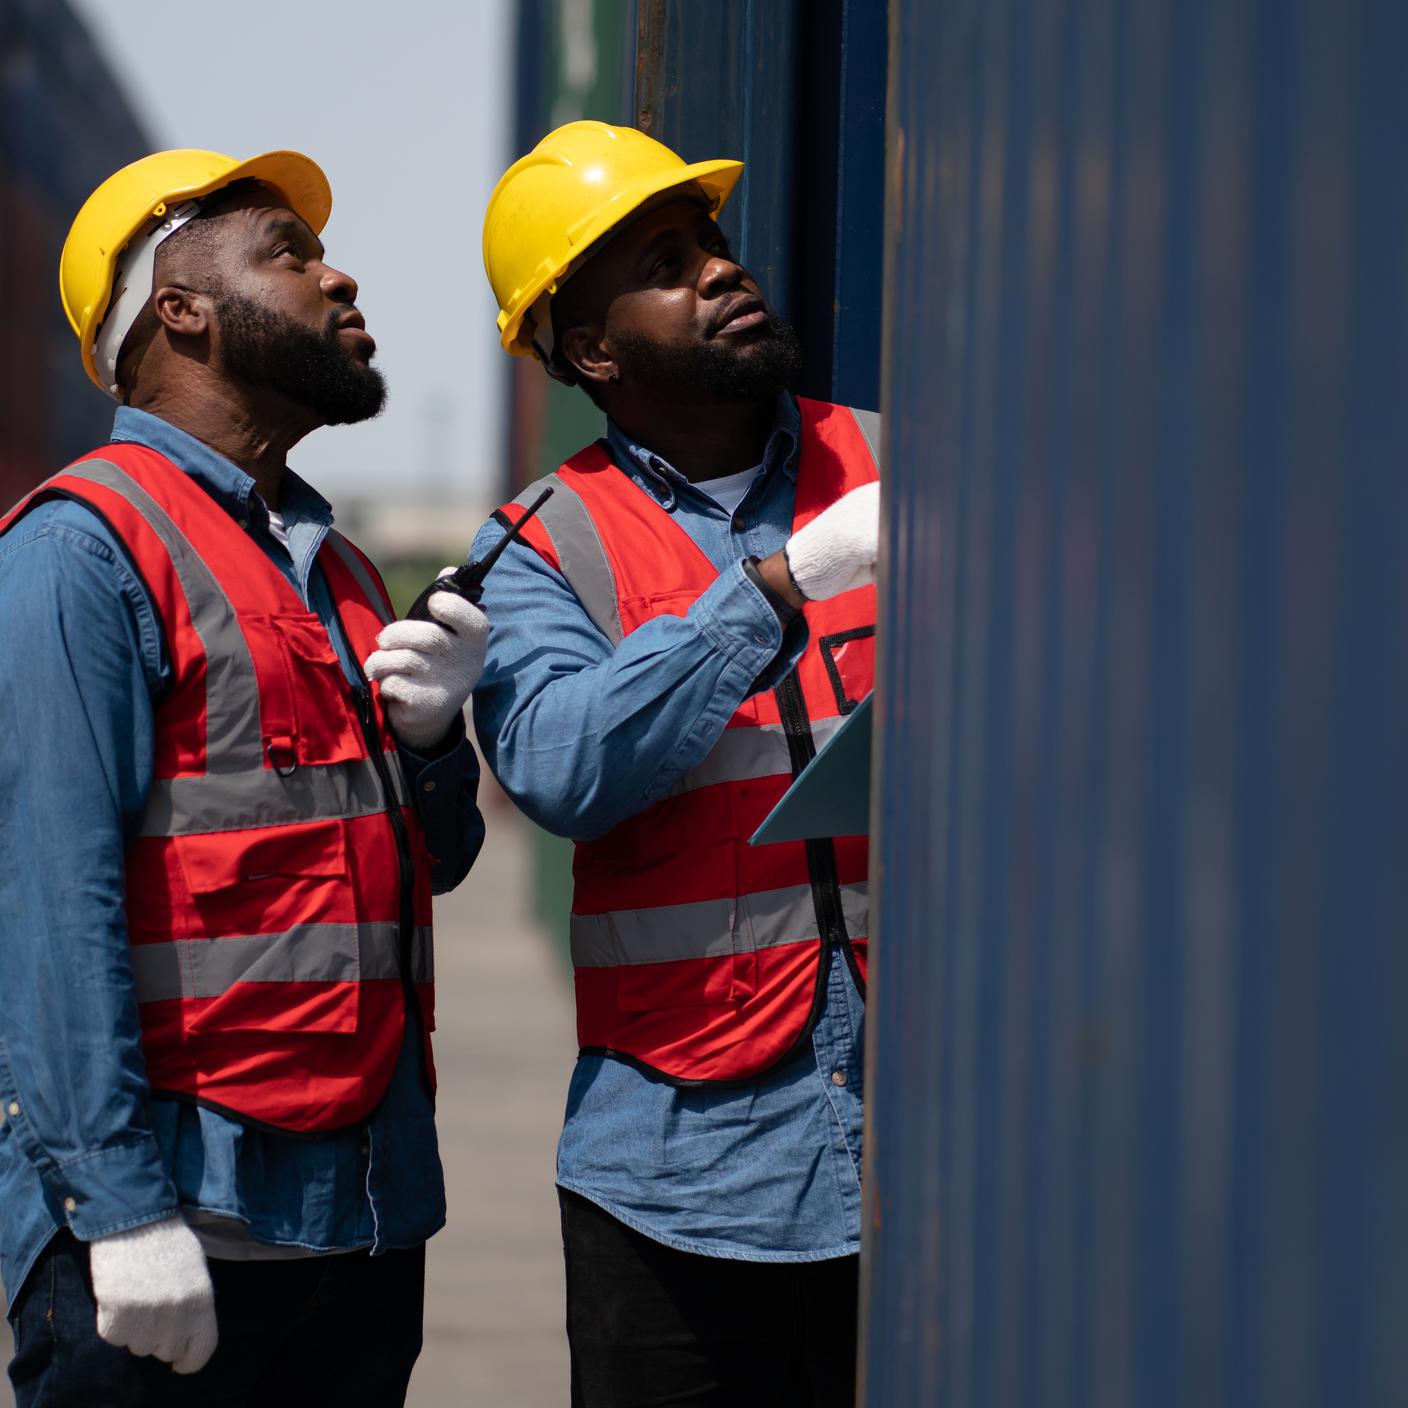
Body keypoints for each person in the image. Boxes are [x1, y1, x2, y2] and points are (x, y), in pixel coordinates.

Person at [0, 148, 489, 1407]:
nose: (340, 273)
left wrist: (436, 748)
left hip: (360, 1223)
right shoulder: (80, 554)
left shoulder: (338, 573)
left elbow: (417, 873)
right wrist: (115, 1213)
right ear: (181, 309)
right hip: (172, 1243)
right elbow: (49, 909)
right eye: (288, 250)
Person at [471, 121, 881, 1407]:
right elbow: (557, 766)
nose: (717, 268)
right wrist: (772, 591)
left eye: (708, 238)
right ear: (593, 349)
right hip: (677, 1187)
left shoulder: (889, 460)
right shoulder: (541, 547)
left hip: (944, 1164)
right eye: (664, 258)